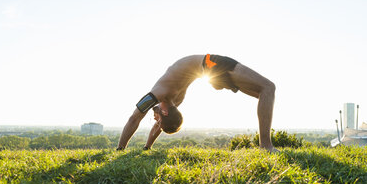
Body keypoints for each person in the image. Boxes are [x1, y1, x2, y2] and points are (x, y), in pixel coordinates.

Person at [117, 54, 277, 151]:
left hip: (212, 64)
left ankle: (266, 146)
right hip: (212, 72)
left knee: (267, 89)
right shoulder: (174, 100)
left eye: (156, 121)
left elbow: (134, 118)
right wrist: (147, 147)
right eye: (157, 121)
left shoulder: (157, 94)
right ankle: (266, 146)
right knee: (265, 92)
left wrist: (120, 149)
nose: (155, 120)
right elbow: (157, 125)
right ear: (166, 112)